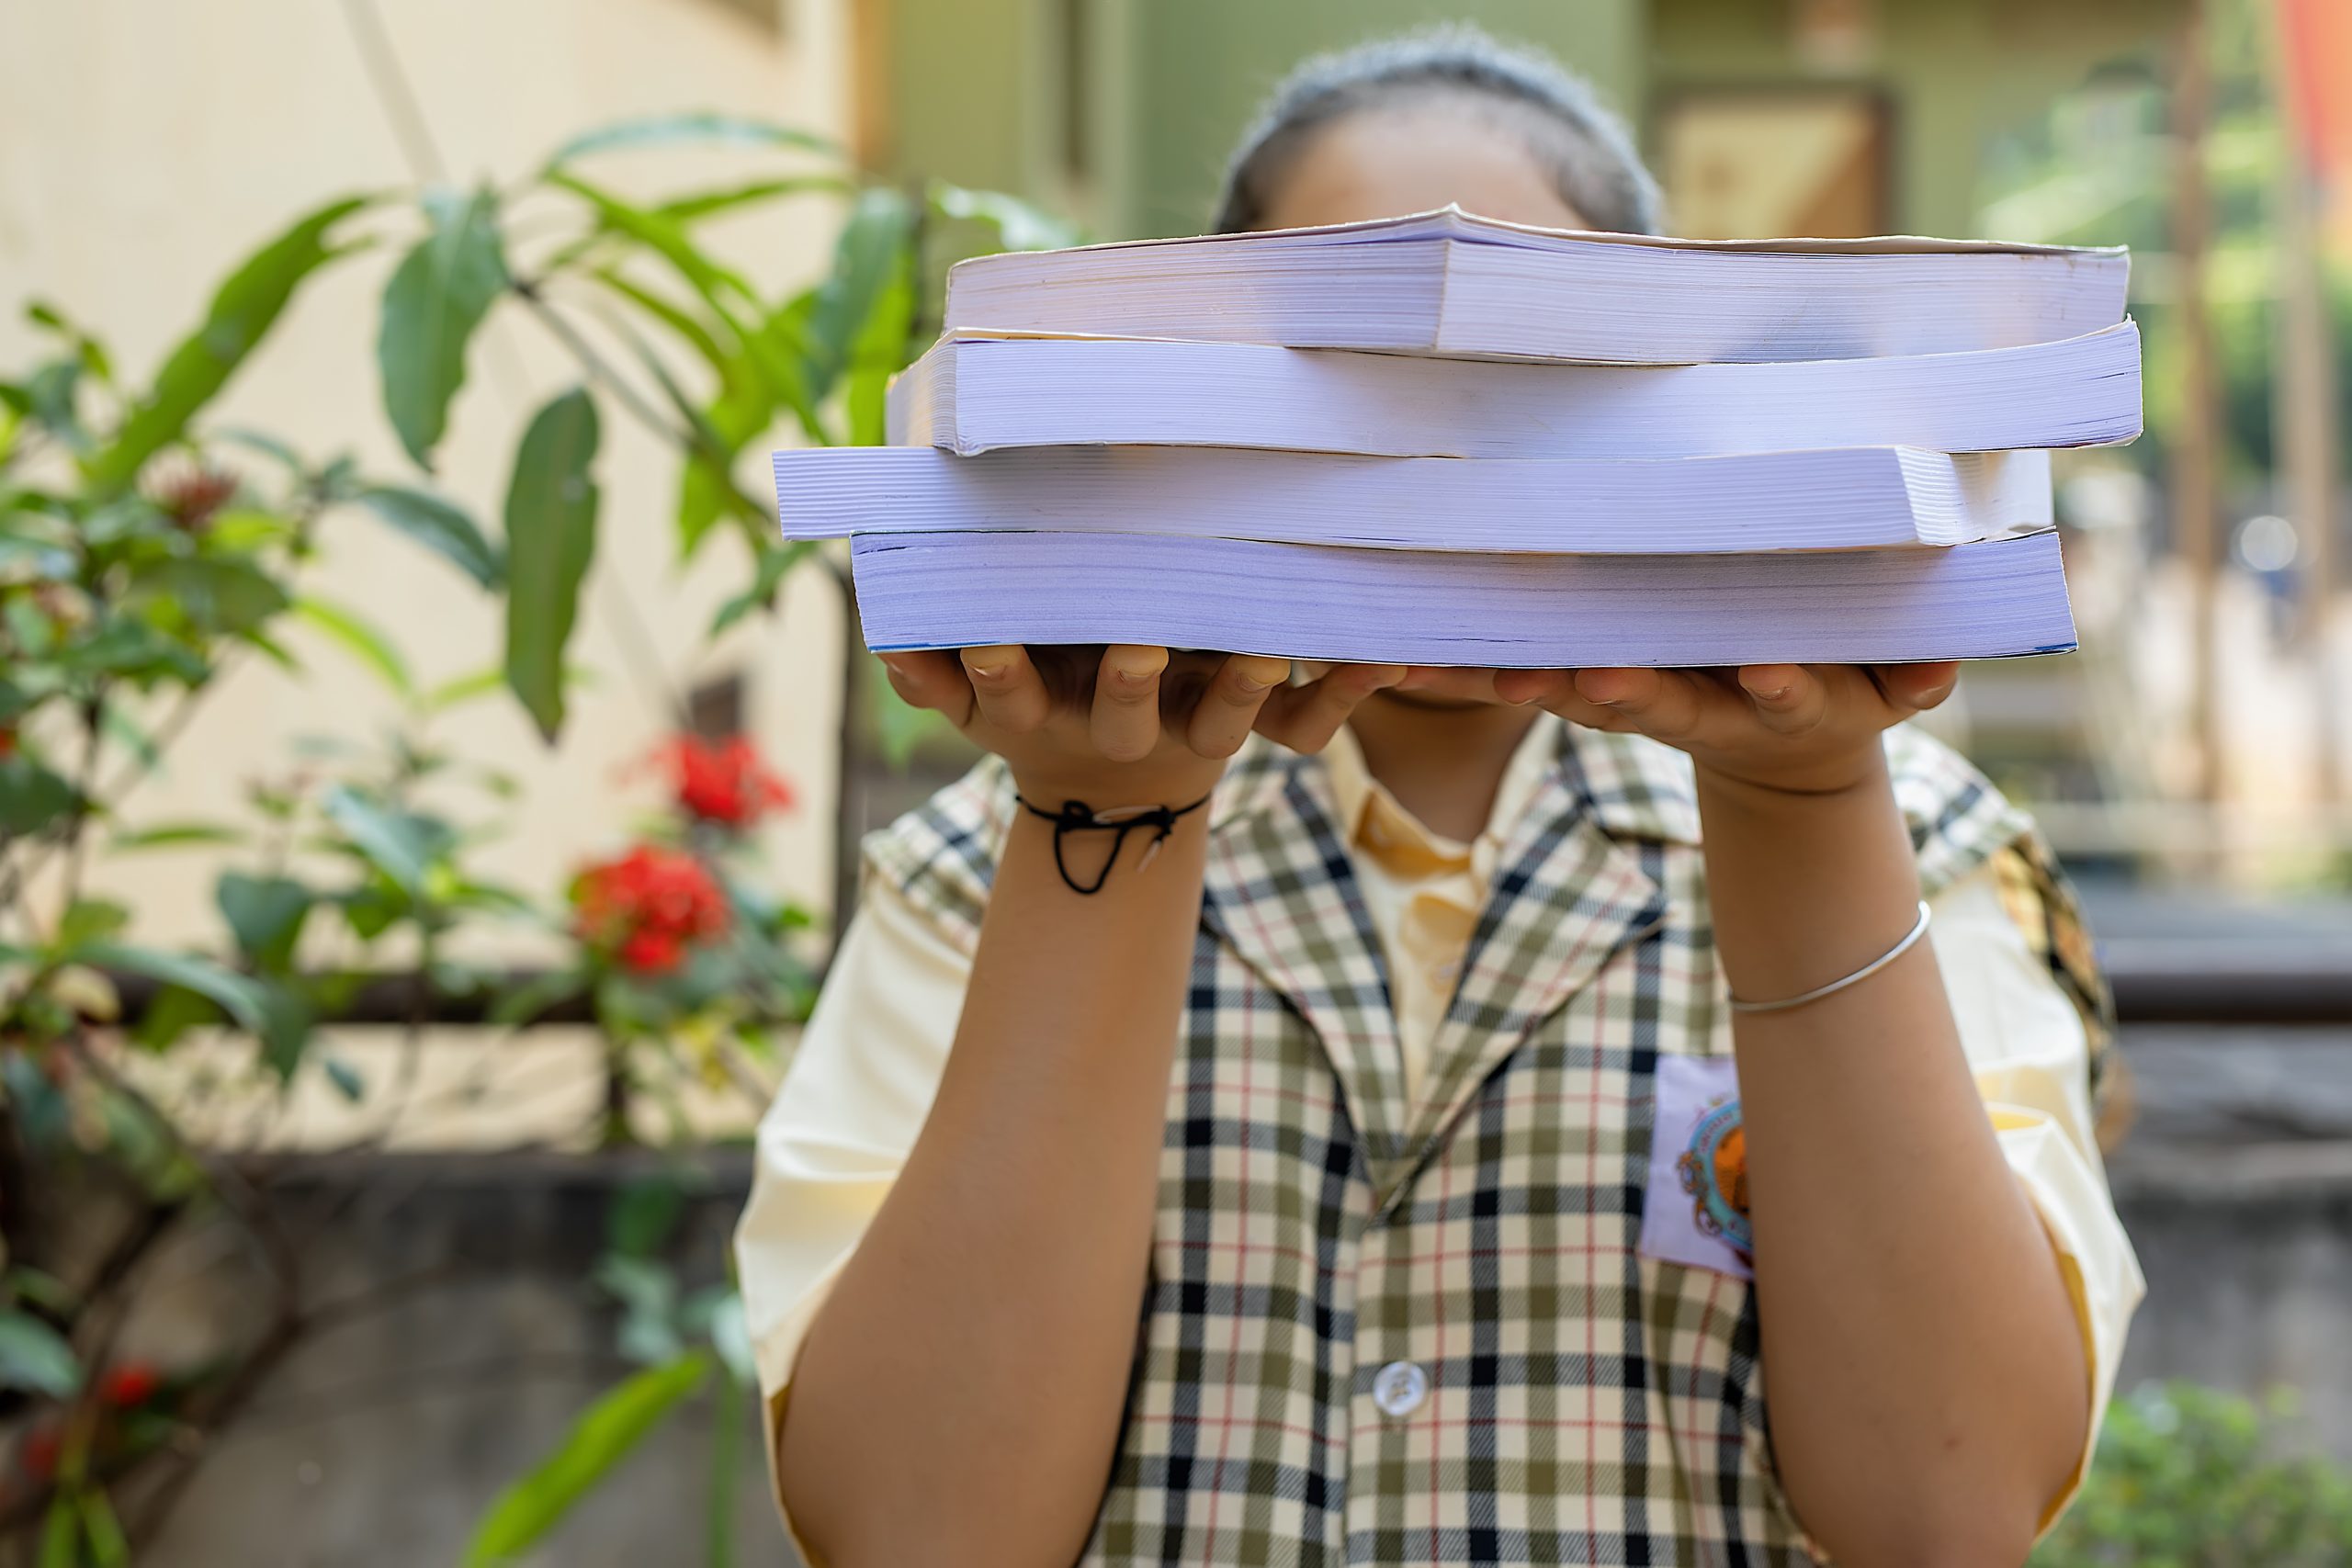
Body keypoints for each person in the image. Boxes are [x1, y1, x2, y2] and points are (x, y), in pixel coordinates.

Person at [737, 26, 2142, 1567]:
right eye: (1346, 373)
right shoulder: (967, 869)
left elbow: (1948, 1515)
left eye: (1534, 369)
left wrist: (1805, 798)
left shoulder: (1925, 847)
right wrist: (1105, 810)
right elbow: (915, 1532)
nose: (1439, 450)